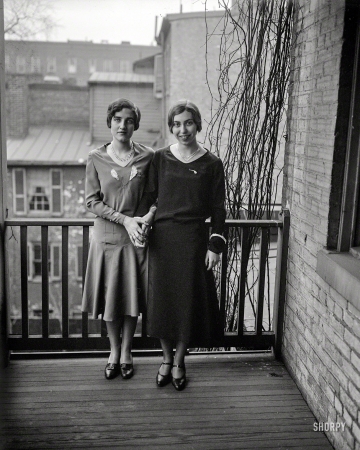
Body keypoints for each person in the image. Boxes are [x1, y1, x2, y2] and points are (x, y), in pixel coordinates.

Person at [137, 100, 226, 391]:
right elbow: (151, 198)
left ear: (197, 124)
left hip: (193, 241)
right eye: (176, 124)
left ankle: (179, 360)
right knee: (163, 300)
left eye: (187, 122)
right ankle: (164, 358)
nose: (182, 129)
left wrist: (214, 245)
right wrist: (143, 224)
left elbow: (219, 209)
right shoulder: (160, 158)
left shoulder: (211, 163)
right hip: (163, 239)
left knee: (186, 301)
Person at [82, 98, 155, 380]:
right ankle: (113, 351)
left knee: (130, 296)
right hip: (108, 237)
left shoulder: (148, 157)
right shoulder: (96, 157)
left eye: (128, 120)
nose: (122, 125)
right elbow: (91, 202)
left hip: (136, 238)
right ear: (109, 123)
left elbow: (157, 197)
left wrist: (148, 216)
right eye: (117, 119)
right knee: (111, 298)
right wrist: (123, 218)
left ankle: (127, 352)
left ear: (135, 125)